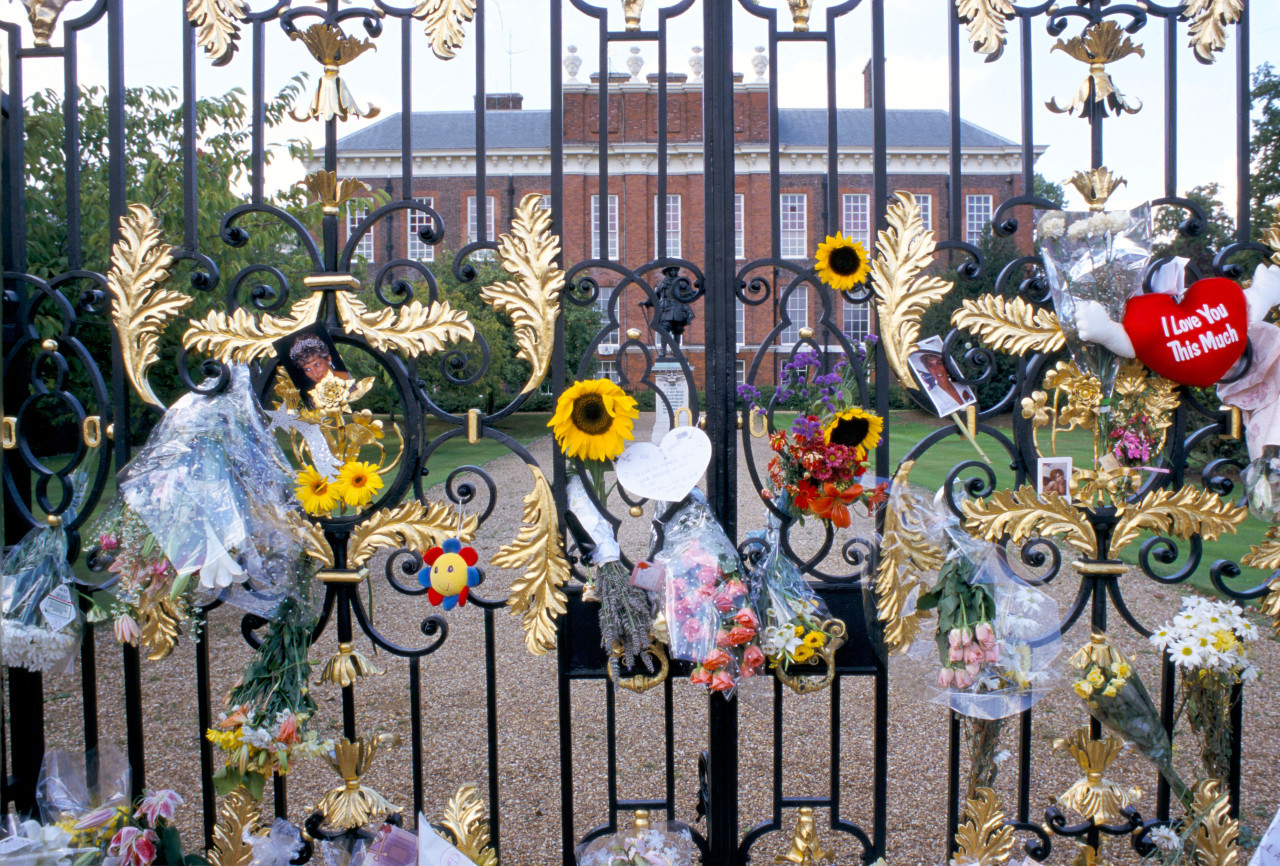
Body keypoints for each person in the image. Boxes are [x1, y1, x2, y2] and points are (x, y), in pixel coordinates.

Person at [916, 351, 974, 415]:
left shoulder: (961, 385)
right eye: (931, 365)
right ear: (929, 370)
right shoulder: (933, 396)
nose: (937, 369)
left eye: (939, 363)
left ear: (946, 366)